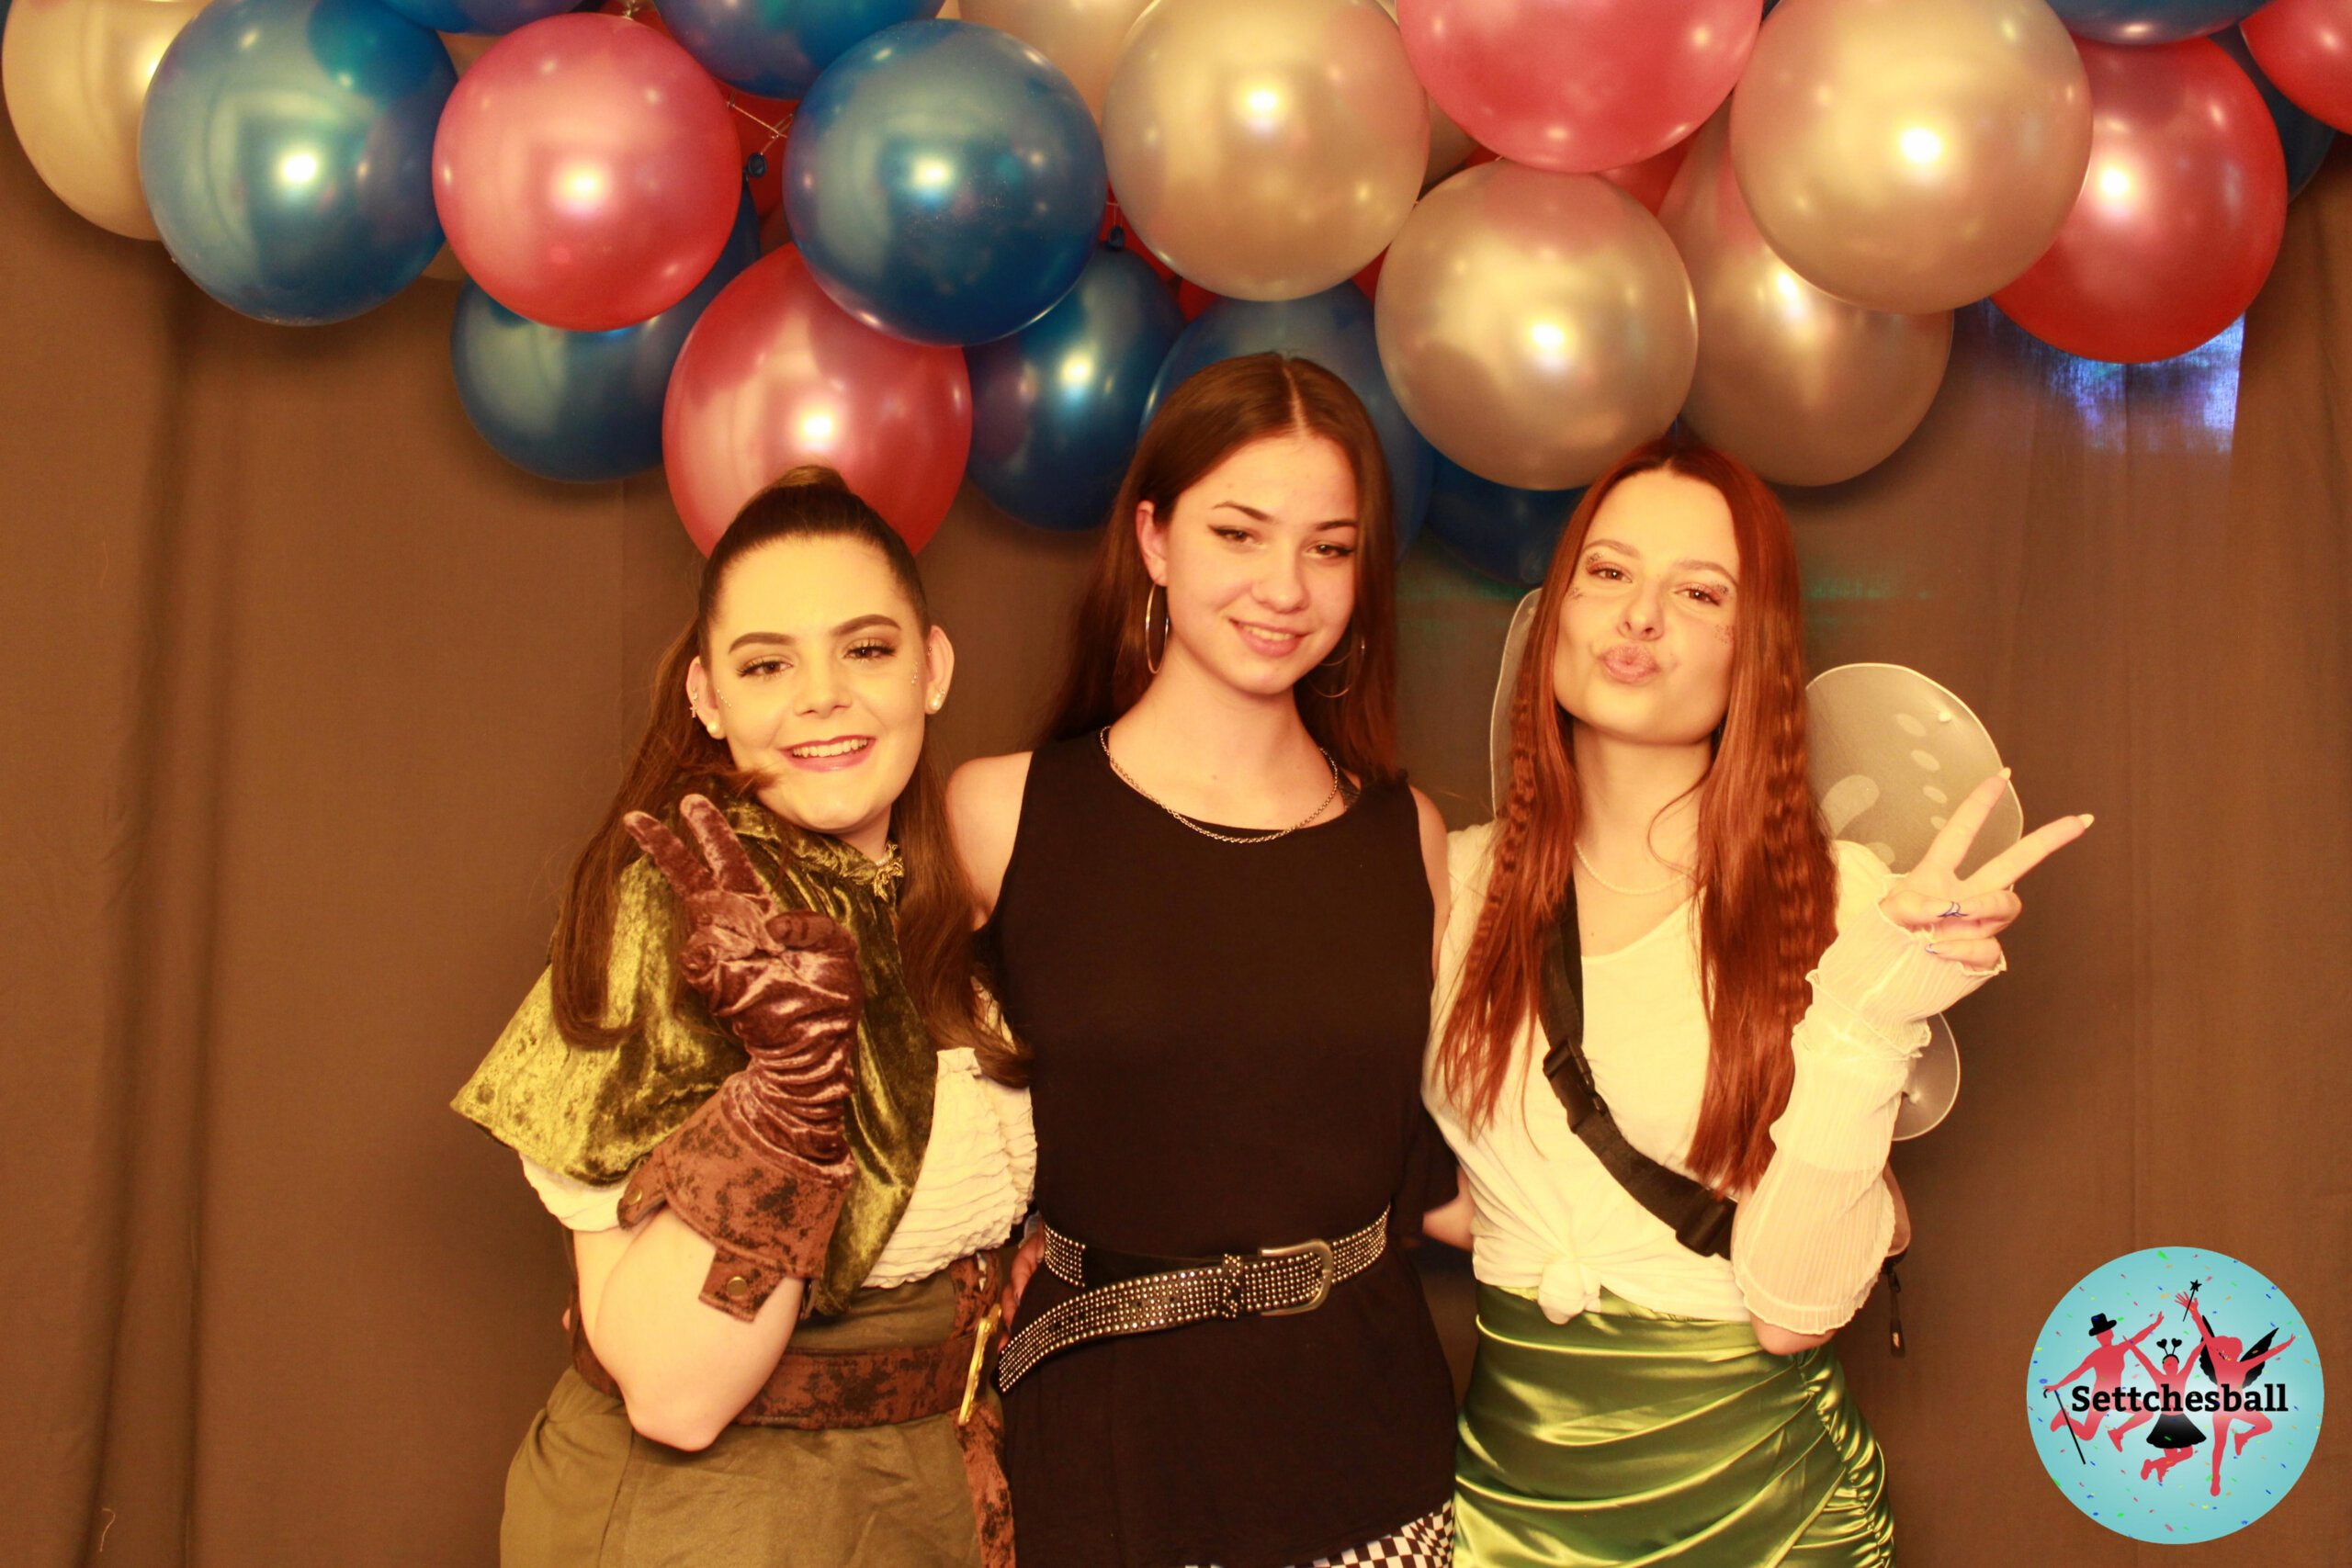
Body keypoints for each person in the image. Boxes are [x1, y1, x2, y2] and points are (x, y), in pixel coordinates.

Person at [1425, 434, 2093, 1566]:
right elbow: (1419, 1185)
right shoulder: (1452, 882)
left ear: (1756, 651)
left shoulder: (1847, 904)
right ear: (1556, 612)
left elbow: (1789, 1315)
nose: (1640, 616)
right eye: (1607, 571)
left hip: (1763, 1518)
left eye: (1698, 593)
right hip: (1508, 1511)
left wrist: (1871, 1013)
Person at [452, 468, 1033, 1568]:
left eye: (866, 650)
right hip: (718, 1520)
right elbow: (674, 1396)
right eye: (768, 664)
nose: (822, 697)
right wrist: (787, 1102)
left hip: (930, 1498)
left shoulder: (950, 899)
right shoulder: (667, 915)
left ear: (933, 668)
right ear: (708, 697)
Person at [949, 354, 1467, 1568]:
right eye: (1239, 532)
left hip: (1372, 1456)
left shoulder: (1408, 836)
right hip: (1110, 1461)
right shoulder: (1002, 813)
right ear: (1155, 539)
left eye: (1329, 548)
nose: (1284, 586)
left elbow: (1440, 1159)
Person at [2043, 1309, 2164, 1444]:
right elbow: (2077, 1373)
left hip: (2116, 1397)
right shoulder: (2097, 1355)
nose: (2105, 1336)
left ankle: (2116, 1433)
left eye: (2106, 1332)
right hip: (2101, 1398)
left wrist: (2155, 1324)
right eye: (2102, 1334)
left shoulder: (2119, 1349)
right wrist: (2058, 1385)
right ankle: (2065, 1418)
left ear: (2111, 1333)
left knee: (2146, 1413)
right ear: (2098, 1338)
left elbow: (2139, 1337)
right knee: (2087, 1434)